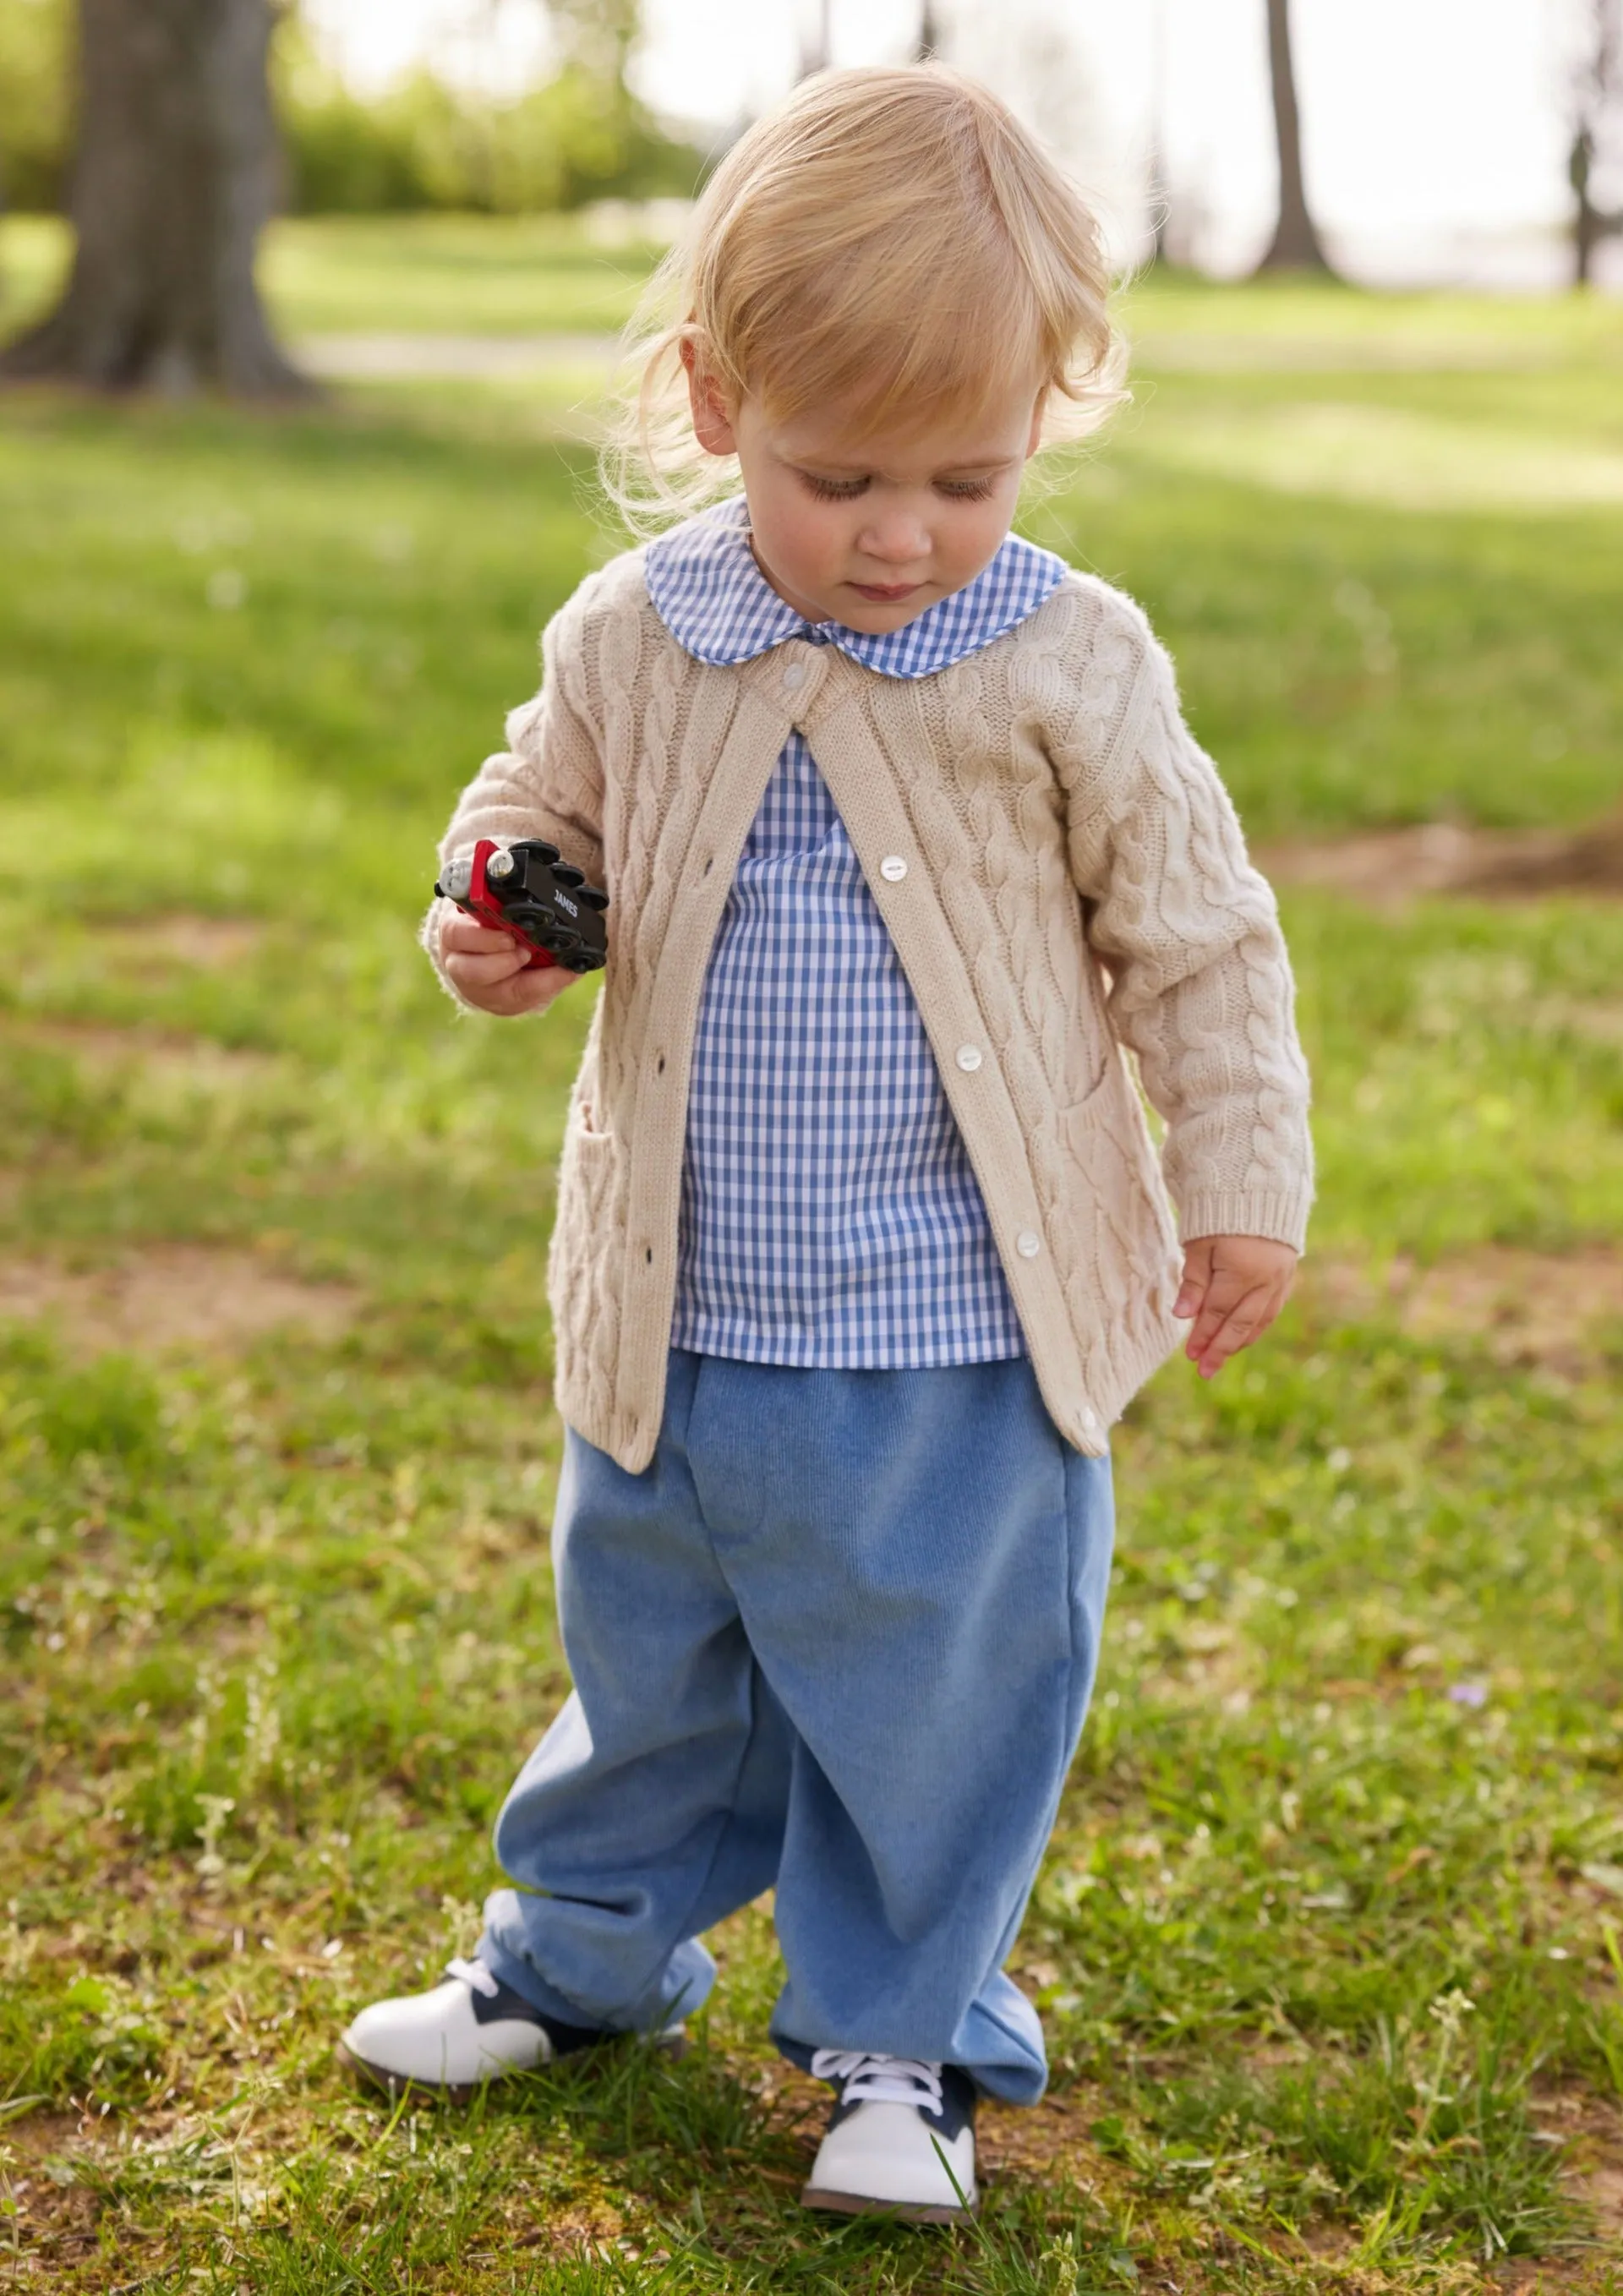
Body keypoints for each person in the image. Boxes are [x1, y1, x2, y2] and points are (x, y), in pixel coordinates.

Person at [338, 63, 1313, 2222]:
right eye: (837, 470)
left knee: (934, 1699)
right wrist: (490, 914)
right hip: (678, 1313)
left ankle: (904, 2044)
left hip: (951, 1333)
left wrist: (1241, 1175)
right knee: (650, 1665)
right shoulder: (638, 632)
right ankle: (579, 1957)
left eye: (966, 474)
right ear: (712, 397)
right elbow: (527, 818)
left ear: (1046, 421)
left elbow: (1200, 932)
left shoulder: (1067, 660)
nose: (899, 530)